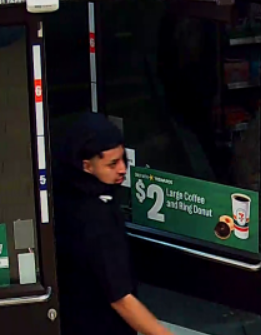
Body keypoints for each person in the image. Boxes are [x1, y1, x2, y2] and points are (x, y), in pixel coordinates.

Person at [53, 112, 174, 335]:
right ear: (87, 166)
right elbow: (121, 299)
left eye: (123, 159)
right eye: (112, 164)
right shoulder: (96, 220)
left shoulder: (64, 192)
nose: (122, 169)